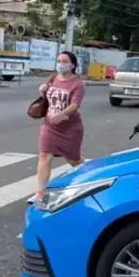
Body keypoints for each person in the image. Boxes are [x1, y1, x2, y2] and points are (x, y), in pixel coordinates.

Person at [36, 51, 86, 199]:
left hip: (70, 129)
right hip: (49, 126)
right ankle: (40, 192)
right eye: (58, 61)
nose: (60, 64)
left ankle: (89, 174)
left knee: (74, 160)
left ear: (72, 65)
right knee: (44, 156)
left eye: (64, 61)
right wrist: (42, 90)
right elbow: (47, 96)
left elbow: (74, 106)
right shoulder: (53, 78)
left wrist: (61, 114)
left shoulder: (77, 84)